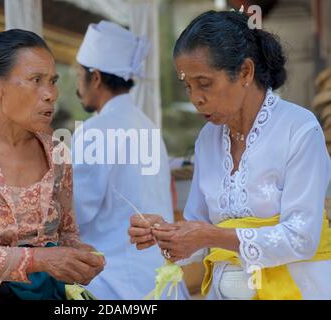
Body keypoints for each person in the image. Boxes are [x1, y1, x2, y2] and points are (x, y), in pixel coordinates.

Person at [129, 10, 331, 300]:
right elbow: (197, 231)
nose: (195, 98)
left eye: (205, 83)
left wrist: (210, 236)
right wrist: (166, 232)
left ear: (245, 72)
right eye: (188, 86)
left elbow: (302, 238)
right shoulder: (207, 139)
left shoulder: (299, 129)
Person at [0, 29, 105, 300]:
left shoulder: (57, 153)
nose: (50, 94)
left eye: (52, 81)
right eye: (36, 80)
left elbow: (67, 233)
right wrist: (40, 260)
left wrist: (80, 257)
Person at [72, 20, 190, 300]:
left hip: (113, 285)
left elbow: (74, 213)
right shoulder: (147, 126)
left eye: (79, 75)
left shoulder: (94, 130)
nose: (78, 85)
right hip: (160, 280)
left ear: (96, 77)